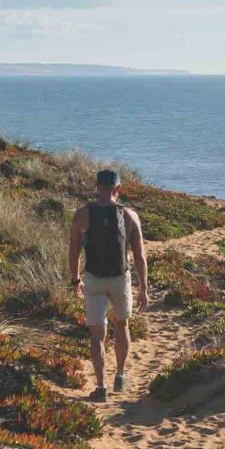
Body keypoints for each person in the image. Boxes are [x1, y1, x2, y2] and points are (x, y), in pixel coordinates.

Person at [67, 168, 148, 401]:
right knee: (121, 326)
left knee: (97, 333)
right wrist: (143, 288)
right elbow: (140, 256)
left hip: (93, 279)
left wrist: (75, 280)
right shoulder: (129, 215)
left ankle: (101, 387)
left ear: (97, 187)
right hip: (120, 278)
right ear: (118, 189)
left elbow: (74, 252)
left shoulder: (82, 215)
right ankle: (120, 376)